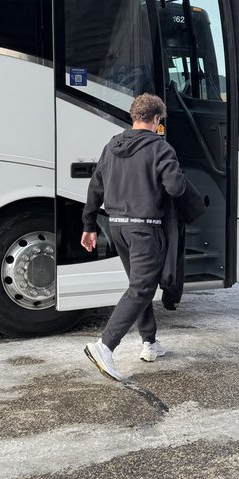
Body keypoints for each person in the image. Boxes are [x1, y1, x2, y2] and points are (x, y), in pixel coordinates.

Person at [81, 93, 200, 381]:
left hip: (117, 228)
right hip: (145, 229)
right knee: (142, 289)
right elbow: (175, 188)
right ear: (157, 119)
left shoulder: (112, 146)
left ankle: (150, 342)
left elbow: (96, 186)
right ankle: (105, 346)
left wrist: (89, 224)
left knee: (138, 285)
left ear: (134, 117)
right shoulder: (160, 147)